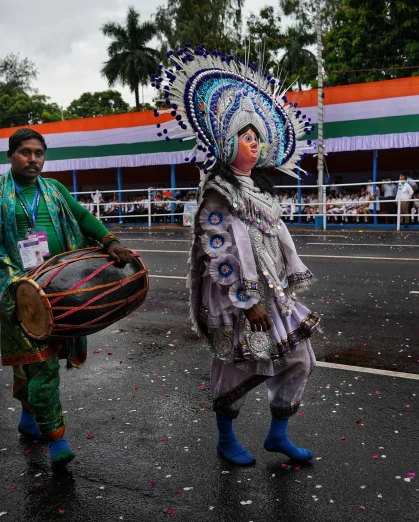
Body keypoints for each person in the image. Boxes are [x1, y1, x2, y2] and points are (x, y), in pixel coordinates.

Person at [158, 45, 319, 467]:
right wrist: (248, 304)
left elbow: (275, 237)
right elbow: (220, 248)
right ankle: (226, 437)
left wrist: (280, 285)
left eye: (256, 137)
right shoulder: (218, 189)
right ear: (226, 141)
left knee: (299, 357)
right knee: (241, 364)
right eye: (245, 137)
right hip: (240, 301)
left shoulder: (262, 189)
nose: (252, 143)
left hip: (275, 296)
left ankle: (278, 435)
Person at [0, 128, 133, 468]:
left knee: (36, 359)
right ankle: (56, 439)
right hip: (19, 292)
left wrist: (109, 240)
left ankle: (28, 417)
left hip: (60, 288)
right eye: (25, 152)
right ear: (10, 155)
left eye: (39, 152)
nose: (33, 158)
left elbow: (81, 217)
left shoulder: (54, 190)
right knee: (42, 365)